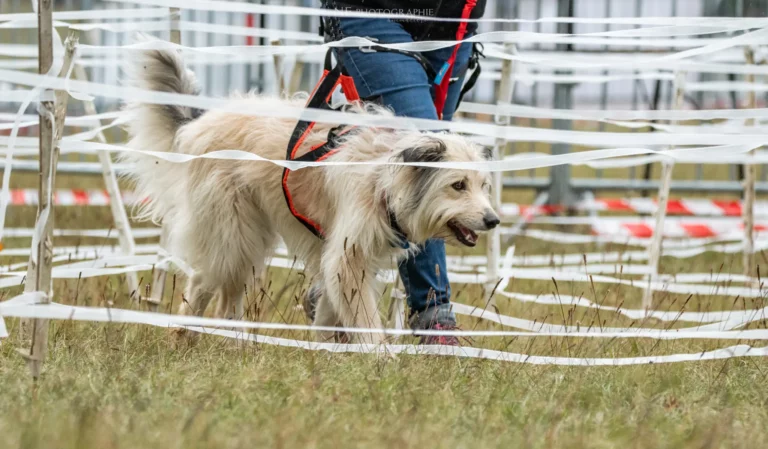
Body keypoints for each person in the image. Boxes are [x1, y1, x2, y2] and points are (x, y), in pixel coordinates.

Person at [305, 0, 487, 345]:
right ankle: (434, 316)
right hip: (372, 10)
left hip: (454, 21)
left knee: (433, 166)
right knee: (422, 162)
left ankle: (336, 287)